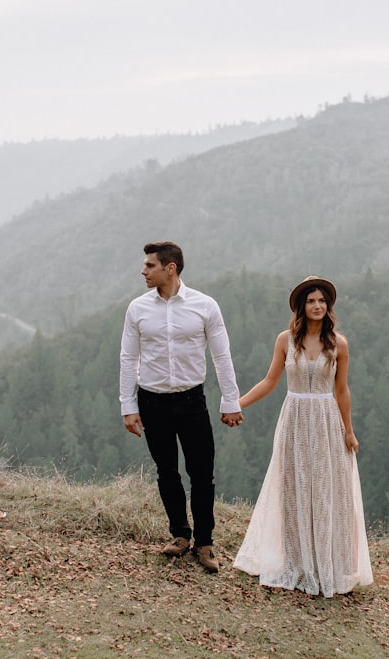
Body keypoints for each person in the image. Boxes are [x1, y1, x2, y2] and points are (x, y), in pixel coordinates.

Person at [232, 276, 373, 597]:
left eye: (322, 301)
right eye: (311, 301)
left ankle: (330, 565)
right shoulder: (285, 340)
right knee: (293, 487)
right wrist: (236, 403)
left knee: (326, 489)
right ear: (301, 306)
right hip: (294, 418)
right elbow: (270, 381)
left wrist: (349, 430)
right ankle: (298, 564)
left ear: (329, 306)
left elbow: (342, 390)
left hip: (326, 420)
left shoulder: (339, 343)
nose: (317, 306)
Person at [119, 241, 244, 573]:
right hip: (152, 400)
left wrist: (231, 401)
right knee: (166, 471)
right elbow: (128, 359)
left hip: (192, 400)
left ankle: (204, 542)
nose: (144, 271)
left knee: (202, 474)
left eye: (150, 266)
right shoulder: (137, 309)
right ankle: (180, 534)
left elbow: (221, 355)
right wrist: (128, 405)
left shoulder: (205, 306)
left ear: (169, 268)